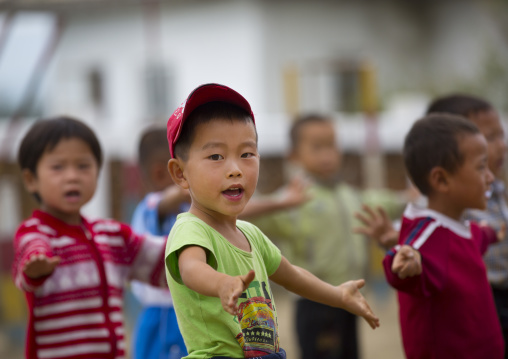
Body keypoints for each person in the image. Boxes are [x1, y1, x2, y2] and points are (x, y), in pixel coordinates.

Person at [164, 83, 380, 359]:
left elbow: (293, 276)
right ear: (180, 173)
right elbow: (191, 268)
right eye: (216, 156)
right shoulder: (190, 229)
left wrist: (338, 295)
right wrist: (221, 283)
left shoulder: (250, 234)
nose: (235, 169)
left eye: (247, 154)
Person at [356, 94, 508, 357]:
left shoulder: (458, 226)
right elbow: (403, 261)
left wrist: (495, 233)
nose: (490, 177)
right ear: (441, 180)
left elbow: (476, 237)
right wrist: (404, 261)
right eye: (481, 167)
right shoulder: (428, 233)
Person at [248, 113, 407, 359]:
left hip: (351, 297)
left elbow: (384, 201)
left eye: (332, 145)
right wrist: (280, 205)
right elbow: (240, 213)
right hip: (315, 302)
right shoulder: (291, 199)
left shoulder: (349, 195)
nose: (327, 155)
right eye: (316, 147)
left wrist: (412, 197)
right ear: (294, 155)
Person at [12, 116, 168, 359]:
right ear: (31, 179)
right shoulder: (36, 233)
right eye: (58, 167)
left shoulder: (113, 236)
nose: (72, 176)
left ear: (97, 172)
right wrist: (36, 266)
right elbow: (30, 260)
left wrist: (202, 246)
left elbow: (163, 259)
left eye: (83, 166)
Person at [130, 127, 189, 359]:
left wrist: (280, 203)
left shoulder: (189, 208)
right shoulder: (151, 207)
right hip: (165, 315)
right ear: (161, 173)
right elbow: (171, 198)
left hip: (186, 311)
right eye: (187, 169)